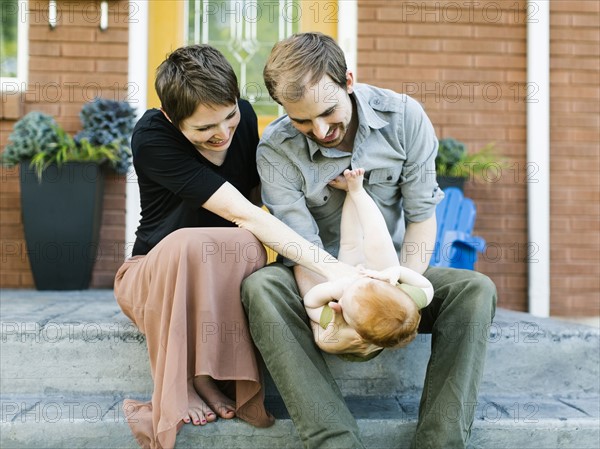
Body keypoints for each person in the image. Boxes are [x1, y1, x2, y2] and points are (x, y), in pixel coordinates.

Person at [241, 32, 497, 448]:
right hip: (321, 281)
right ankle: (335, 440)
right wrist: (333, 315)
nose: (320, 130)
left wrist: (397, 293)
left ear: (348, 81)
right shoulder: (276, 150)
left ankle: (439, 441)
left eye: (327, 112)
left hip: (394, 270)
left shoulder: (404, 119)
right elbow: (299, 249)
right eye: (302, 121)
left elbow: (421, 219)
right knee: (262, 286)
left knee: (474, 289)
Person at [113, 44, 356, 449]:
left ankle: (207, 374)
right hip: (153, 276)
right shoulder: (152, 136)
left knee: (245, 246)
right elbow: (246, 212)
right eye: (205, 129)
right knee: (197, 242)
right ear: (173, 120)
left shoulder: (242, 122)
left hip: (220, 275)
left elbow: (266, 198)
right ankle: (187, 381)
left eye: (229, 117)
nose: (223, 133)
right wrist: (336, 270)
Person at [303, 167, 434, 359]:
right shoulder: (406, 297)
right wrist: (396, 273)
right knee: (378, 239)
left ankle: (351, 191)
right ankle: (358, 191)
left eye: (347, 295)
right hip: (382, 272)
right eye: (364, 285)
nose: (356, 282)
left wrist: (334, 290)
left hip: (348, 268)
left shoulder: (340, 319)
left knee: (349, 243)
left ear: (355, 328)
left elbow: (310, 304)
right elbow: (426, 287)